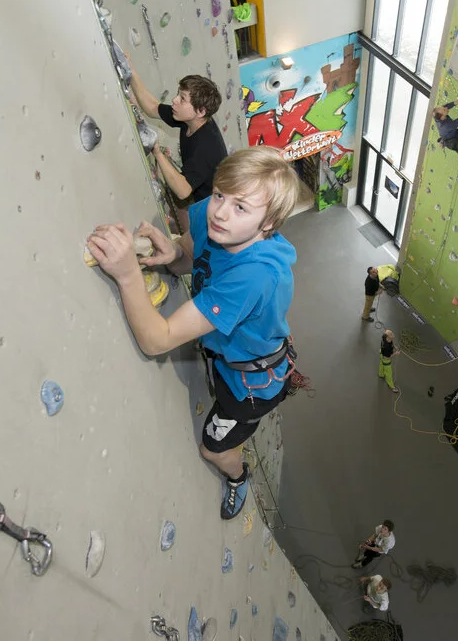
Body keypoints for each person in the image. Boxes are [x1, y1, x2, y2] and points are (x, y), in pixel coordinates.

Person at [86, 147, 300, 520]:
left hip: (249, 386)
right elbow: (190, 256)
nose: (220, 211)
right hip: (224, 354)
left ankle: (238, 476)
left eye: (241, 208)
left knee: (213, 448)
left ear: (268, 225)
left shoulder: (256, 276)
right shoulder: (208, 216)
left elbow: (158, 339)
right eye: (221, 194)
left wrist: (126, 274)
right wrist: (172, 254)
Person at [125, 68, 227, 217]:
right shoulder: (189, 120)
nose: (174, 100)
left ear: (201, 111)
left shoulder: (206, 148)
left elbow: (183, 191)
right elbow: (152, 107)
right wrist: (131, 71)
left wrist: (157, 152)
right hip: (199, 193)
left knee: (189, 232)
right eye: (178, 94)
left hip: (216, 210)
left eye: (182, 98)